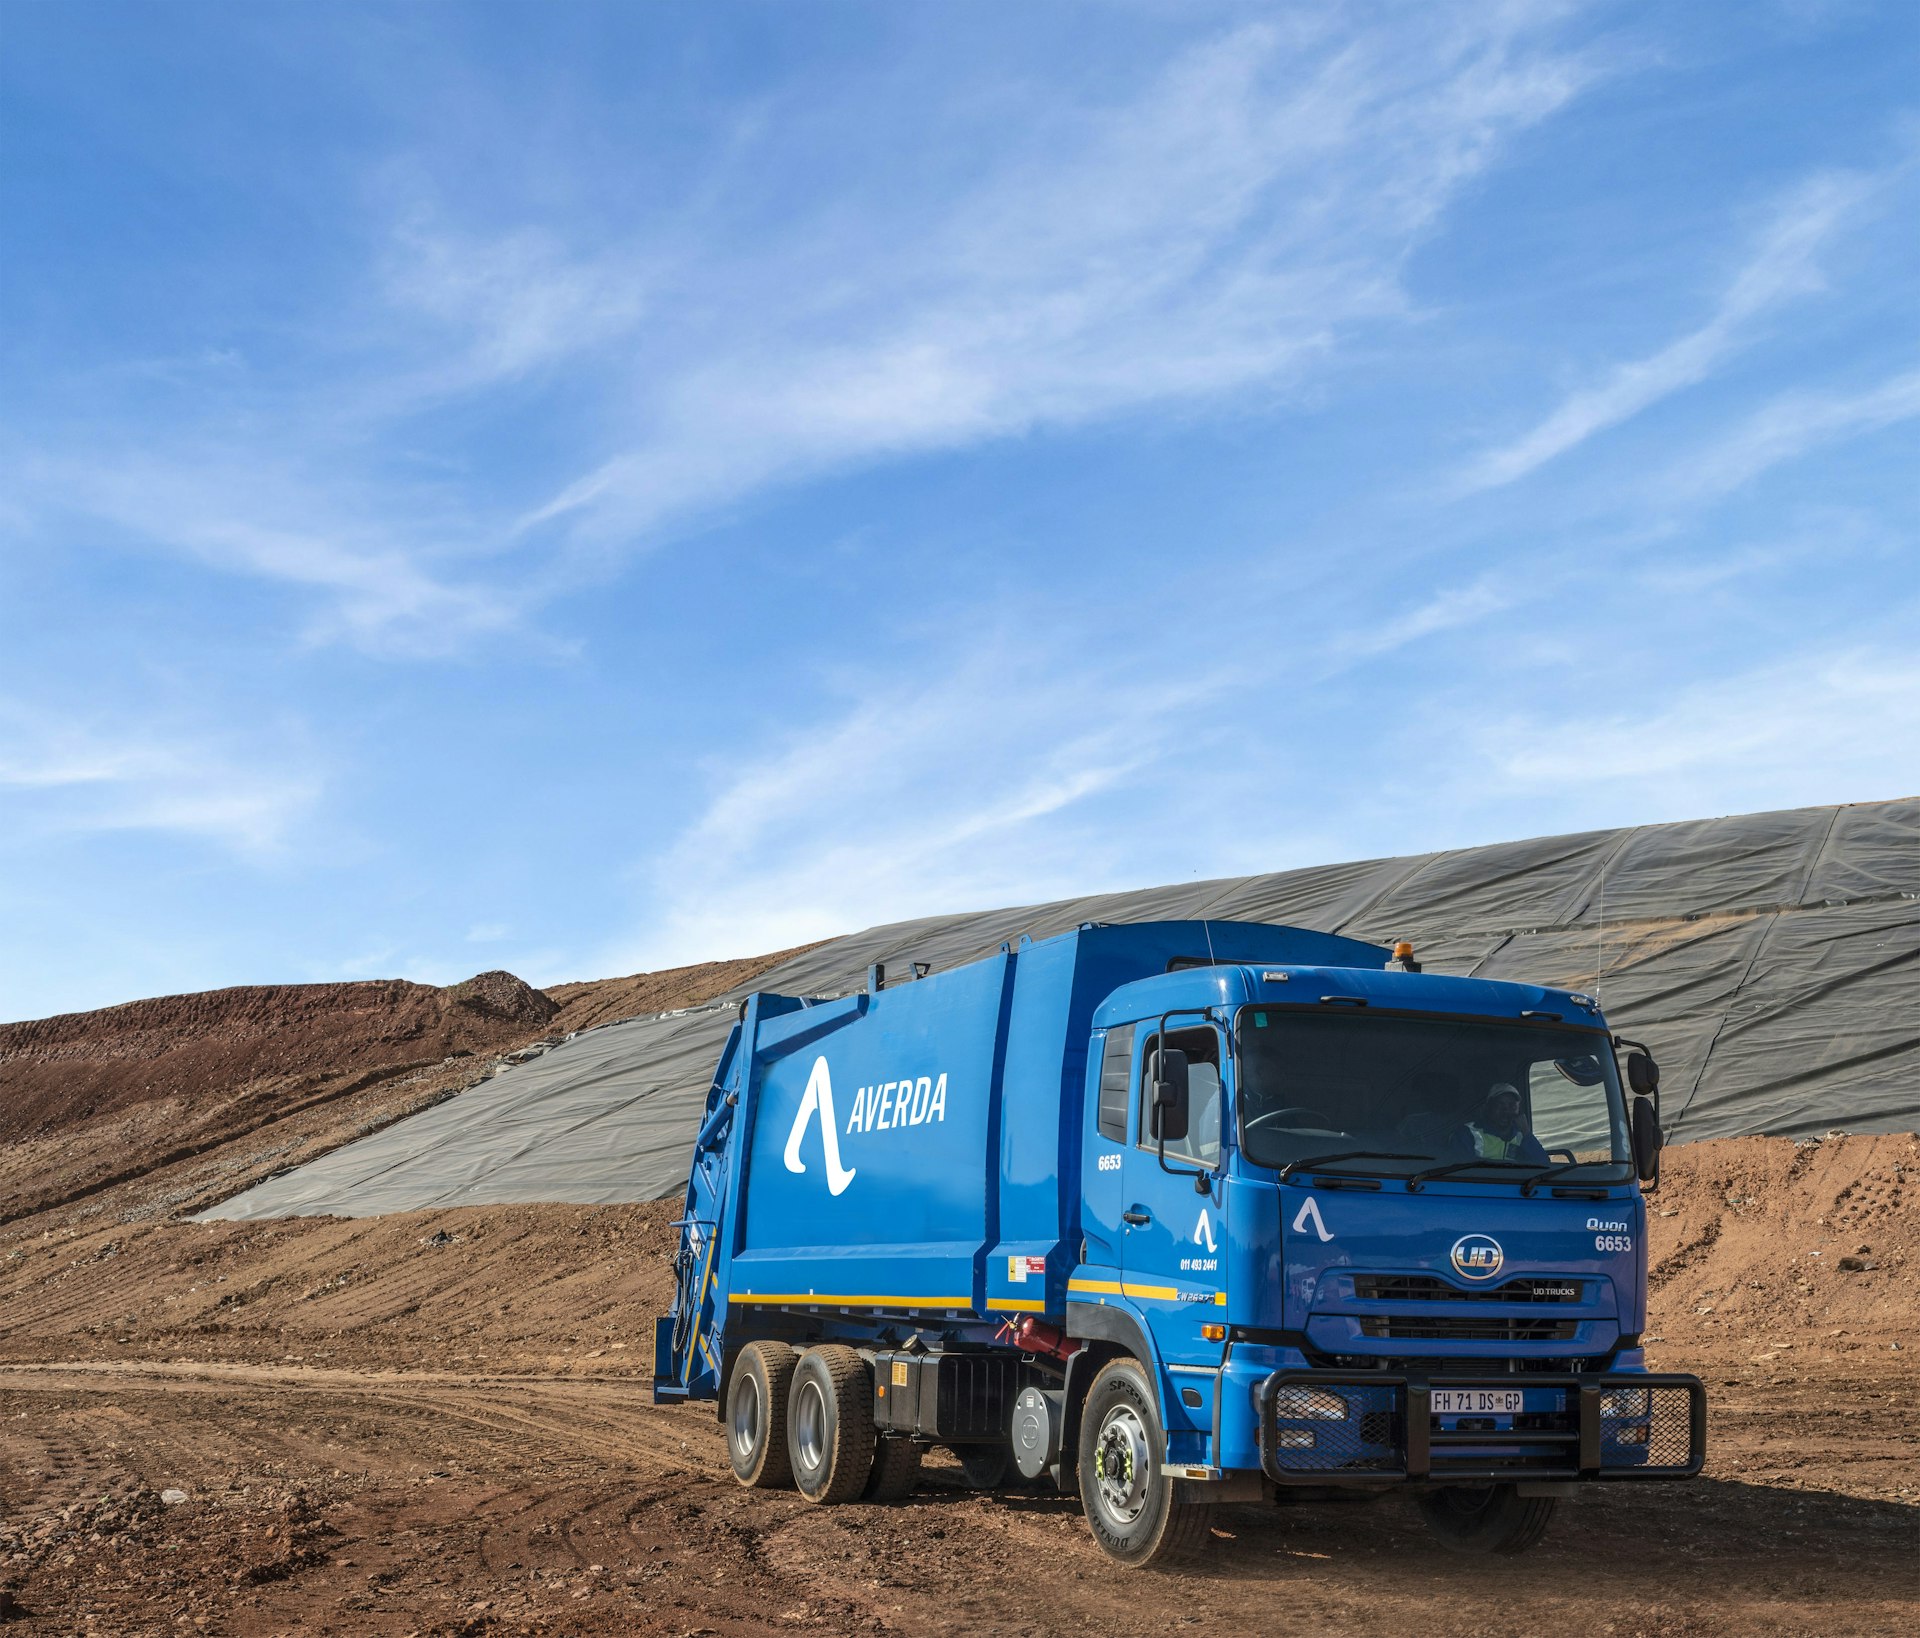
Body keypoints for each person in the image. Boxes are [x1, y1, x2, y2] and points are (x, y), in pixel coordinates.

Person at [1462, 1083, 1549, 1164]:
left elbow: (1543, 1164)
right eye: (1500, 1105)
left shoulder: (1521, 1136)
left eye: (1512, 1106)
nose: (1506, 1110)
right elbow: (1460, 1170)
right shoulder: (1468, 1133)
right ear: (1488, 1108)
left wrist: (1527, 1133)